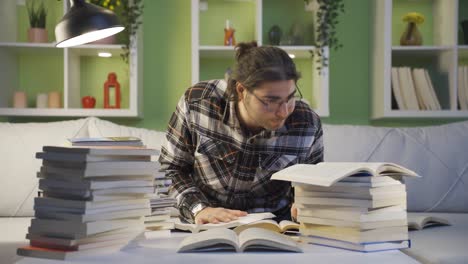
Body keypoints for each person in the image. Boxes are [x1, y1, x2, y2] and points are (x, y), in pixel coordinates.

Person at [159, 42, 323, 224]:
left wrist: (305, 203)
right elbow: (169, 169)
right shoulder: (198, 104)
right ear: (241, 90)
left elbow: (310, 186)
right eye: (271, 100)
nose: (284, 111)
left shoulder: (307, 124)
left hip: (276, 227)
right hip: (207, 223)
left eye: (291, 98)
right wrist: (199, 209)